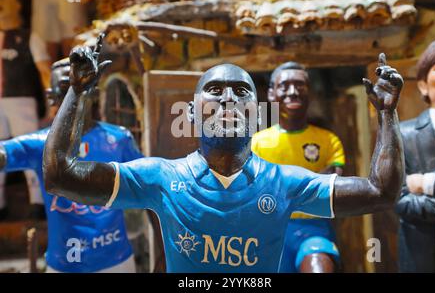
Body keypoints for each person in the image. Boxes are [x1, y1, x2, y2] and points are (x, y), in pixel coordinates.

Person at [43, 34, 404, 272]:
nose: (228, 98)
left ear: (258, 114)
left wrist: (387, 113)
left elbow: (381, 191)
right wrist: (77, 93)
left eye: (240, 91)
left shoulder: (284, 183)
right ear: (189, 114)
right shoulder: (161, 178)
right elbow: (59, 175)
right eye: (214, 90)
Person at [0, 57, 143, 273]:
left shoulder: (119, 139)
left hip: (117, 262)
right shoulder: (39, 144)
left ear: (95, 92)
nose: (76, 94)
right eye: (69, 88)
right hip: (63, 266)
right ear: (51, 97)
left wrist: (162, 252)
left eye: (85, 84)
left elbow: (151, 189)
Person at [252, 62, 343, 273]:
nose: (293, 92)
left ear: (309, 91)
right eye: (284, 86)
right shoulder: (256, 144)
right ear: (272, 93)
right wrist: (310, 183)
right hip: (268, 233)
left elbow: (331, 189)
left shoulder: (329, 141)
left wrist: (277, 187)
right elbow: (250, 192)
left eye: (300, 85)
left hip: (315, 230)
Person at [0, 0, 52, 219]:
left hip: (22, 101)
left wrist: (51, 103)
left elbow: (44, 71)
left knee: (28, 147)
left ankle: (37, 203)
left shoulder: (31, 37)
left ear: (18, 4)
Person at [396, 39, 435, 272]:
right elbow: (395, 196)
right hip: (420, 250)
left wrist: (428, 183)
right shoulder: (403, 135)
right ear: (423, 85)